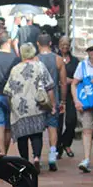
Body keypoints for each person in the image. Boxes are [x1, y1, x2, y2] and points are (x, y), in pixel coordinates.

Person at [4, 42, 57, 173]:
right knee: (36, 133)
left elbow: (8, 90)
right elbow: (49, 87)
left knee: (22, 135)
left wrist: (11, 106)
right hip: (36, 104)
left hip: (19, 106)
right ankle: (37, 157)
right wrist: (53, 104)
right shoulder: (40, 66)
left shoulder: (15, 69)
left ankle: (25, 162)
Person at [71, 39, 93, 173]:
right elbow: (74, 83)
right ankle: (86, 159)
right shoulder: (82, 66)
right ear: (88, 52)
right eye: (91, 49)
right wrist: (76, 101)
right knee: (87, 130)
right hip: (87, 104)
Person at [36, 33, 67, 172]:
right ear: (50, 44)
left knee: (37, 128)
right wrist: (63, 101)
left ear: (38, 44)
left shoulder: (35, 60)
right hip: (53, 96)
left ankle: (36, 155)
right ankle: (52, 154)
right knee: (53, 126)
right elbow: (63, 82)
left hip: (38, 99)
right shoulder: (59, 60)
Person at [57, 36, 80, 158]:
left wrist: (68, 80)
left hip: (71, 93)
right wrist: (62, 81)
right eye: (62, 44)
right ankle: (57, 147)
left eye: (67, 44)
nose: (64, 47)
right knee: (58, 123)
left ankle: (66, 143)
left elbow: (78, 77)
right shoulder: (55, 59)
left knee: (71, 121)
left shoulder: (75, 61)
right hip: (57, 94)